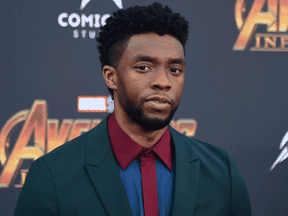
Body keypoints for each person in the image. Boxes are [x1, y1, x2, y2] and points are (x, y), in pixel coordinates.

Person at [14, 2, 252, 216]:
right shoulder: (52, 176)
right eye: (144, 67)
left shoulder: (222, 172)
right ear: (111, 77)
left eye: (175, 70)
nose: (163, 81)